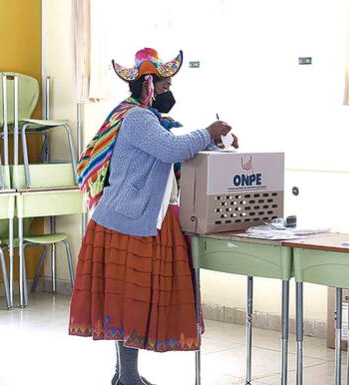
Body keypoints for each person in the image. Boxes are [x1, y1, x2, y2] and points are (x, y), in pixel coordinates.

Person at [69, 47, 237, 385]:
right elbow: (171, 149)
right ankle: (127, 376)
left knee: (128, 302)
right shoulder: (137, 118)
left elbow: (171, 152)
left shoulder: (141, 118)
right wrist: (209, 131)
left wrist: (216, 143)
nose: (168, 93)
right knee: (129, 303)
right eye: (164, 86)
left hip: (131, 220)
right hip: (126, 223)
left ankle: (124, 375)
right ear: (148, 86)